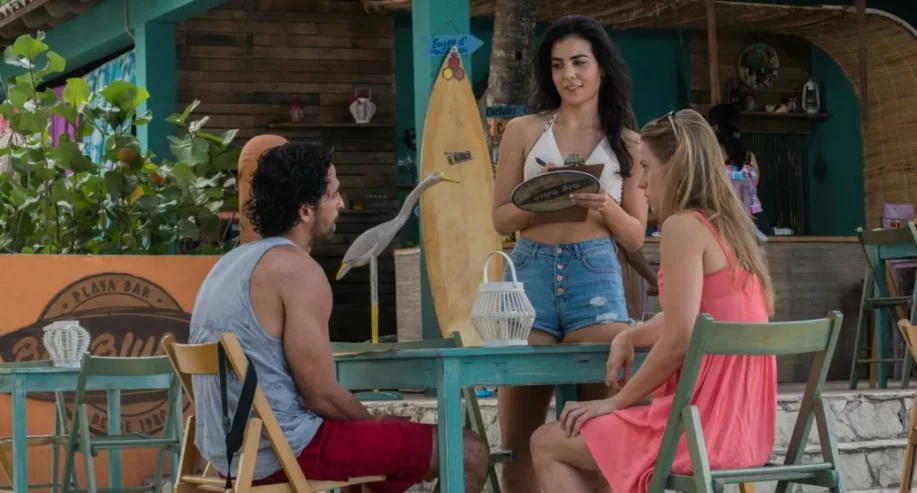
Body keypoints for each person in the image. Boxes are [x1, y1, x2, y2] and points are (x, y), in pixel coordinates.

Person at [188, 142, 489, 493]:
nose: (341, 203)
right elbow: (321, 397)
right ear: (305, 210)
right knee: (469, 451)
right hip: (284, 452)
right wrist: (371, 422)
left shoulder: (227, 265)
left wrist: (371, 428)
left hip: (230, 458)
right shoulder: (297, 271)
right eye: (333, 194)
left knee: (371, 452)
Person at [529, 109, 777, 493]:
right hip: (746, 435)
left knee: (546, 442)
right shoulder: (731, 229)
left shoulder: (683, 226)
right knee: (600, 459)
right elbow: (696, 314)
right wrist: (629, 335)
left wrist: (617, 402)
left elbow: (680, 337)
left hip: (698, 433)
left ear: (675, 167)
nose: (641, 182)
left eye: (646, 167)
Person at [490, 14, 649, 493]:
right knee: (517, 442)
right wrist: (542, 198)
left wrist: (604, 205)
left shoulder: (628, 141)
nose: (569, 75)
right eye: (558, 65)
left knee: (596, 439)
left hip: (595, 275)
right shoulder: (523, 130)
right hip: (529, 274)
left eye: (580, 62)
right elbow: (500, 218)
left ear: (601, 66)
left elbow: (636, 236)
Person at [707, 104, 769, 236]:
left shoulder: (708, 158)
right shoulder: (749, 157)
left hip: (724, 222)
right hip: (756, 221)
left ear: (714, 128)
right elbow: (753, 188)